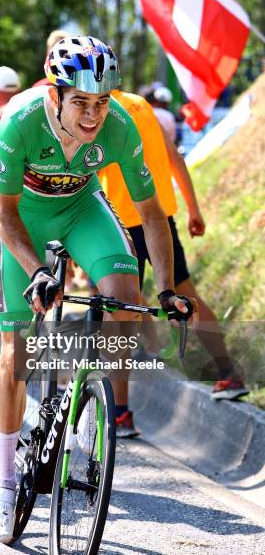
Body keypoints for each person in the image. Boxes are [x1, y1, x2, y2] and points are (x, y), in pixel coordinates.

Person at [0, 35, 196, 543]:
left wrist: (166, 288)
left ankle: (85, 401)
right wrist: (37, 269)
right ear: (55, 95)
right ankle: (6, 478)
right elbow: (2, 212)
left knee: (127, 295)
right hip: (22, 219)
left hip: (81, 207)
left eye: (101, 102)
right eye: (80, 101)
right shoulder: (20, 119)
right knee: (17, 356)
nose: (92, 114)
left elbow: (151, 215)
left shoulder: (120, 127)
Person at [98, 90, 248, 402]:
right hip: (159, 216)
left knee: (119, 313)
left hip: (120, 223)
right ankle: (228, 372)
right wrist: (193, 208)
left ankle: (120, 409)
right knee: (186, 293)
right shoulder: (140, 105)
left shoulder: (93, 110)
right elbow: (174, 157)